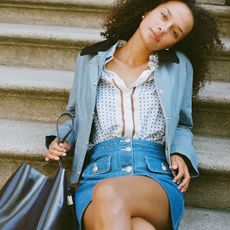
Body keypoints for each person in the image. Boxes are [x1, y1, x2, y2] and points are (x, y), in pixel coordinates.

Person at [45, 0, 221, 229]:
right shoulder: (90, 59)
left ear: (174, 43)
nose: (163, 29)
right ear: (147, 11)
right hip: (98, 174)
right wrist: (62, 142)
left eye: (174, 32)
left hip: (153, 176)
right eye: (164, 16)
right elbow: (76, 114)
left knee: (108, 193)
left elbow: (183, 124)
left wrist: (180, 153)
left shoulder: (180, 67)